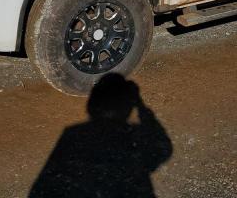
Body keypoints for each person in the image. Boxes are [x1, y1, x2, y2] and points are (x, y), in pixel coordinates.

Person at [29, 74, 172, 198]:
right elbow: (163, 149)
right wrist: (140, 105)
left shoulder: (74, 134)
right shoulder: (133, 134)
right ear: (128, 106)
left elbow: (43, 187)